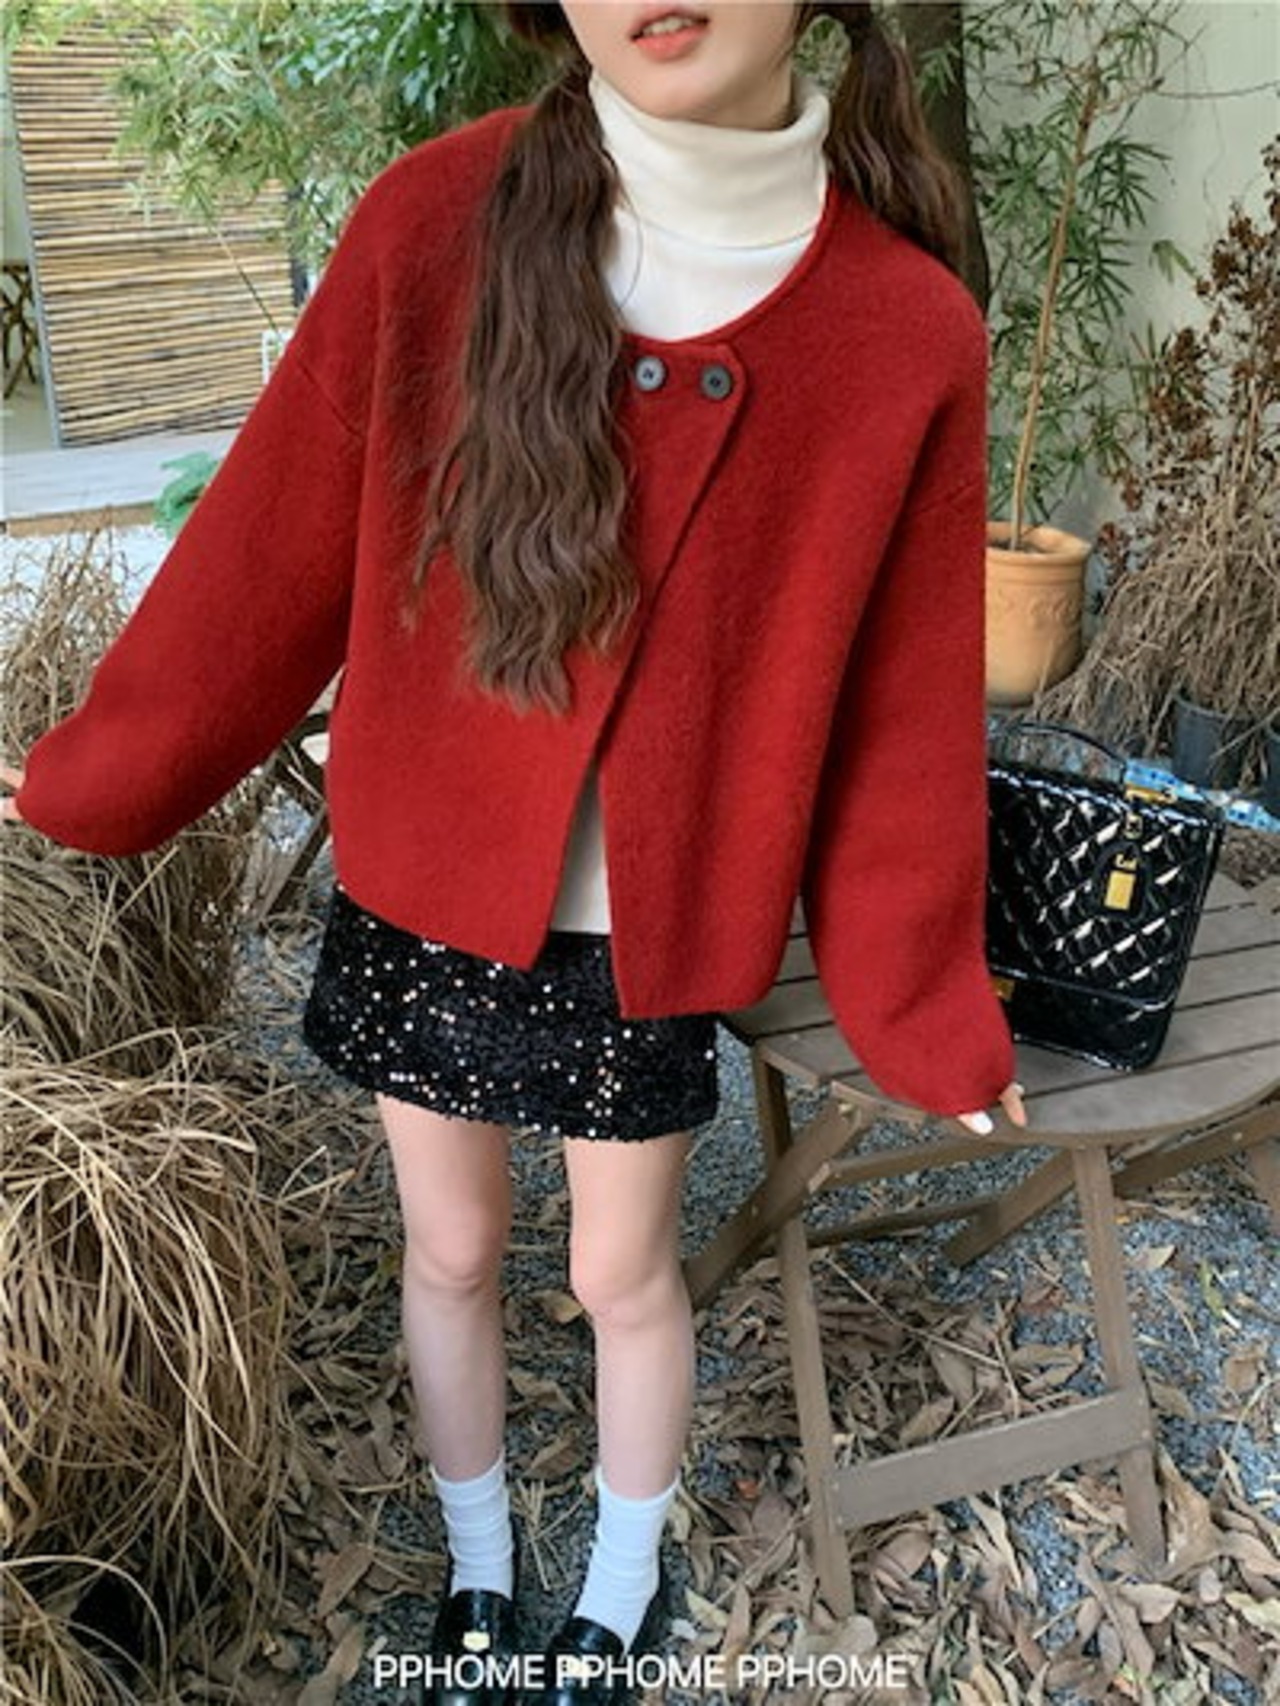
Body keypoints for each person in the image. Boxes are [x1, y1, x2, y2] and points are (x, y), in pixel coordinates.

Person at [3, 3, 1028, 1702]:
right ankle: (478, 1567)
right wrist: (91, 778)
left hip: (652, 927)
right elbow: (265, 549)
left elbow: (905, 706)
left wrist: (926, 1001)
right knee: (453, 1249)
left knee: (622, 1268)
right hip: (431, 885)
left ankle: (617, 1587)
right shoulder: (434, 221)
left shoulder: (905, 328)